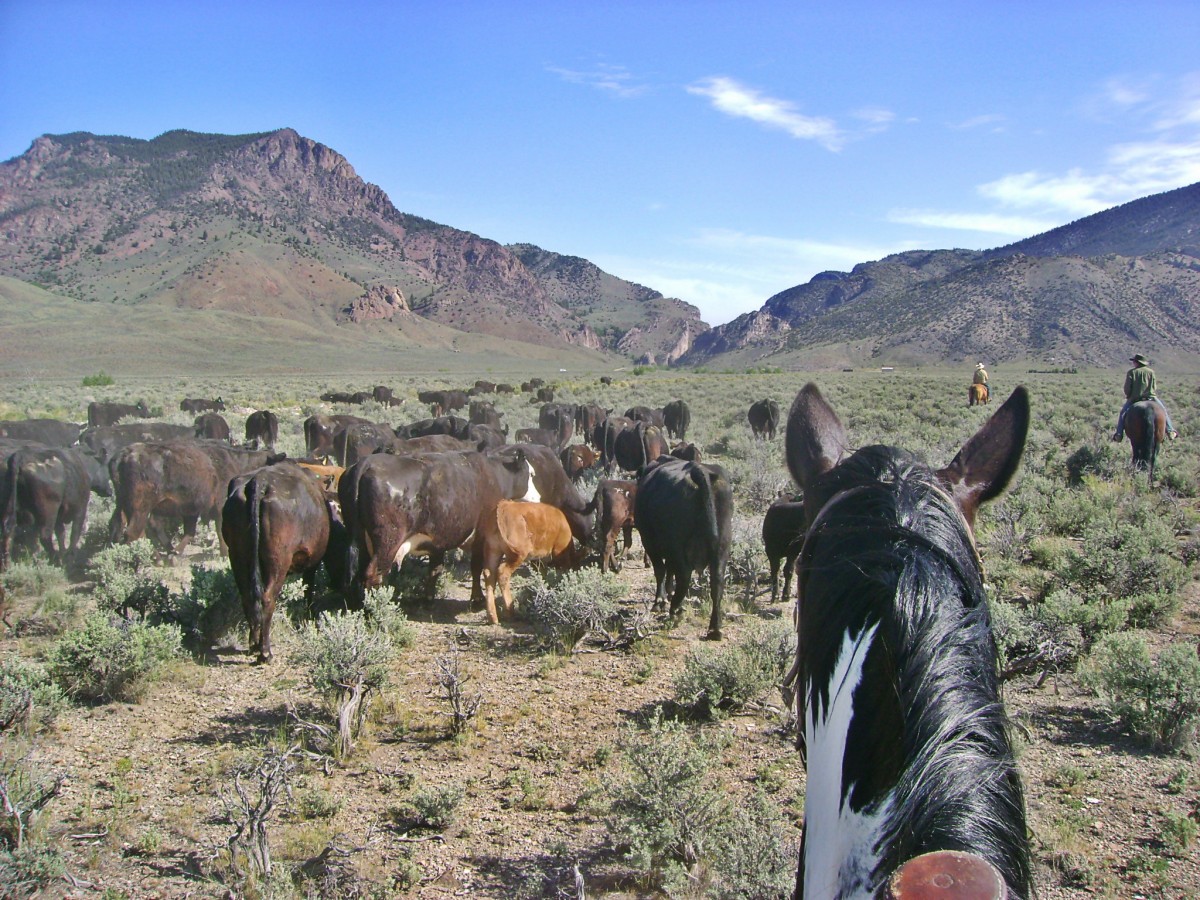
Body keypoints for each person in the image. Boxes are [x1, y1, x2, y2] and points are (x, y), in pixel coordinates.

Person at [1112, 353, 1178, 442]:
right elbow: (1154, 387)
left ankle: (1119, 434)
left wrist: (1129, 396)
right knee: (1163, 411)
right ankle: (1170, 431)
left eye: (1134, 361)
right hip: (1151, 397)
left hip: (1135, 398)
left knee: (1123, 413)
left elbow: (1127, 388)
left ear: (1137, 362)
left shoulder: (1132, 372)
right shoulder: (1151, 372)